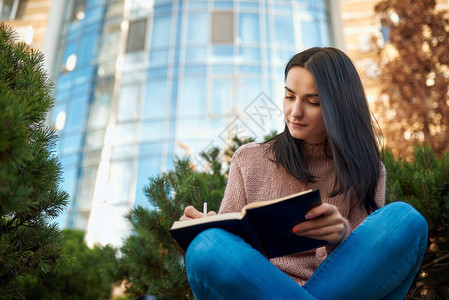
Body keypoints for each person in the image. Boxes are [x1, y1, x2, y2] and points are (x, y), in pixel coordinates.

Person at [180, 47, 428, 299]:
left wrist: (339, 235)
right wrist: (206, 228)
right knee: (207, 246)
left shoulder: (367, 171)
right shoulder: (249, 159)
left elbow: (364, 268)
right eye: (289, 96)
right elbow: (232, 257)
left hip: (337, 289)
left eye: (313, 102)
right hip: (256, 288)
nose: (295, 112)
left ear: (339, 107)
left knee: (405, 219)